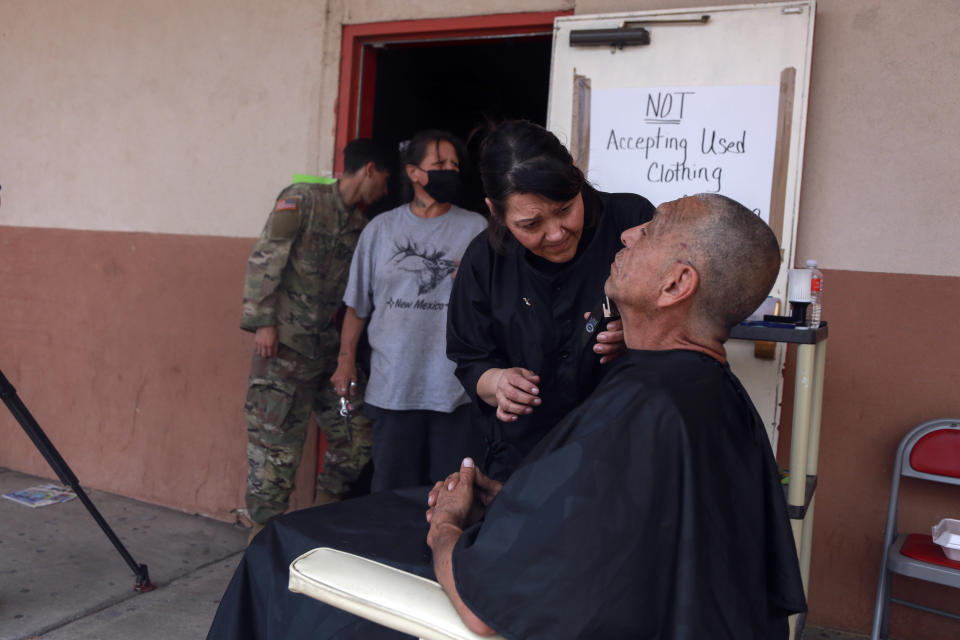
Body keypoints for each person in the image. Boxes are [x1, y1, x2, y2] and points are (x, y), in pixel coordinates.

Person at [207, 193, 805, 640]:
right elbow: (631, 520)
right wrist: (522, 496)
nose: (625, 235)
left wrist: (448, 525)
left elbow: (487, 609)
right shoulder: (714, 396)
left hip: (518, 595)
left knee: (283, 547)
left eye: (649, 233)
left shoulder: (648, 404)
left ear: (676, 284)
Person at [447, 119, 656, 480]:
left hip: (622, 452)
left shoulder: (631, 224)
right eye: (531, 224)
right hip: (521, 460)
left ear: (575, 177)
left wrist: (642, 334)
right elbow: (470, 359)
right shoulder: (484, 261)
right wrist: (498, 382)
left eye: (565, 208)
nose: (557, 233)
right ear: (495, 211)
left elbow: (681, 315)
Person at [241, 138, 390, 541]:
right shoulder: (302, 199)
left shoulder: (359, 226)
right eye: (386, 180)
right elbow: (267, 255)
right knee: (275, 453)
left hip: (326, 354)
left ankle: (318, 525)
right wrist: (264, 322)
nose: (386, 192)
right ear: (371, 170)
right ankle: (260, 540)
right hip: (283, 348)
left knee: (357, 436)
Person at [332, 130, 487, 492]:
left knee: (450, 491)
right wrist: (345, 360)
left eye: (454, 164)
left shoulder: (477, 229)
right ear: (414, 172)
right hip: (393, 385)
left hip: (453, 387)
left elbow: (493, 306)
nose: (450, 170)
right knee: (390, 490)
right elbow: (358, 305)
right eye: (440, 164)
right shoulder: (380, 230)